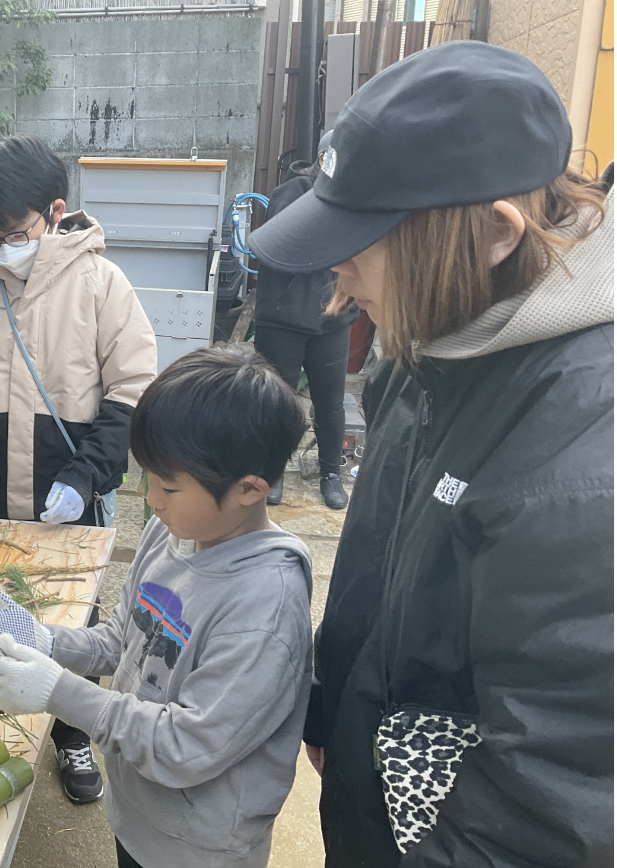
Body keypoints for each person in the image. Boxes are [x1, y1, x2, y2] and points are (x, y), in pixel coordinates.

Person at [249, 41, 613, 866]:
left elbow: (558, 792)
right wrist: (331, 708)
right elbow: (377, 557)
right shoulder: (433, 346)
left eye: (361, 240)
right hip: (369, 781)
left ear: (490, 233)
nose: (338, 275)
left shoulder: (585, 448)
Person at [0, 346, 312, 868]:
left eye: (169, 485)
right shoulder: (171, 532)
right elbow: (125, 639)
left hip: (200, 846)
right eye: (147, 476)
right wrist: (49, 641)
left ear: (249, 490)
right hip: (141, 813)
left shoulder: (265, 606)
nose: (151, 497)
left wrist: (60, 693)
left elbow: (186, 744)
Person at [0, 132, 157, 804]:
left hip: (70, 495)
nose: (2, 248)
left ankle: (71, 736)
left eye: (13, 232)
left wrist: (88, 474)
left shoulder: (99, 283)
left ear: (53, 212)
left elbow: (132, 386)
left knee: (73, 619)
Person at [253, 130, 358, 510]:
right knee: (277, 399)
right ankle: (272, 469)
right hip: (283, 317)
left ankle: (331, 472)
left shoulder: (350, 197)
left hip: (331, 316)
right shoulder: (294, 191)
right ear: (322, 158)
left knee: (330, 403)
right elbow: (286, 241)